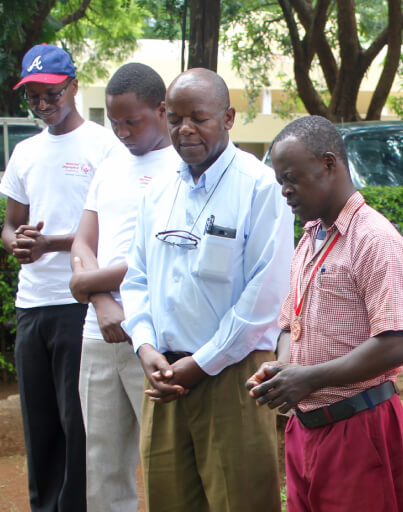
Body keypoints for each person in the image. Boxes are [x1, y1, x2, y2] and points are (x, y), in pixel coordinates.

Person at [119, 68, 293, 512]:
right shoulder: (157, 192)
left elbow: (265, 298)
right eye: (174, 118)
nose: (185, 129)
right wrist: (144, 347)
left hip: (234, 377)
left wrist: (203, 362)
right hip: (165, 377)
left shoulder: (260, 188)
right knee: (169, 501)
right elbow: (136, 278)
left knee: (241, 502)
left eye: (199, 117)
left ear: (229, 118)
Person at [246, 115, 403, 512]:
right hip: (306, 426)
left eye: (292, 178)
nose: (285, 191)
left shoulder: (375, 240)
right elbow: (291, 323)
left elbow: (395, 345)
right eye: (280, 181)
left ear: (329, 164)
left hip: (357, 425)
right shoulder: (310, 238)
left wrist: (307, 378)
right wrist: (283, 369)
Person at [0, 43, 124, 512]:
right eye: (32, 96)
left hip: (82, 304)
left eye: (51, 93)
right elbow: (11, 224)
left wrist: (51, 244)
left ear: (72, 86)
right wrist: (18, 242)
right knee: (40, 425)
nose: (43, 104)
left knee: (80, 426)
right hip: (32, 305)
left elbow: (110, 225)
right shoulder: (25, 151)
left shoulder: (104, 146)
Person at [68, 62, 180, 512]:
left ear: (161, 109)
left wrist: (83, 282)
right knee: (103, 464)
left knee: (163, 462)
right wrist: (99, 300)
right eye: (114, 123)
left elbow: (162, 253)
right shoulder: (110, 166)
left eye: (132, 121)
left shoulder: (182, 166)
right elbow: (82, 241)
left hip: (153, 334)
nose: (122, 132)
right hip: (99, 333)